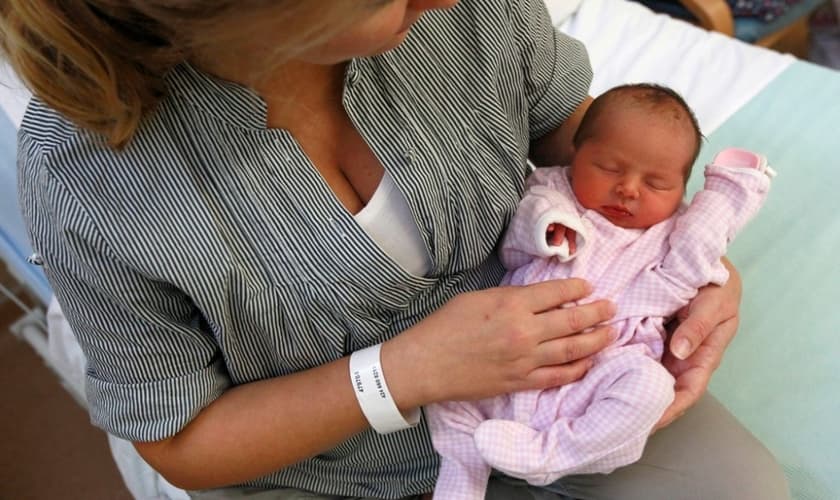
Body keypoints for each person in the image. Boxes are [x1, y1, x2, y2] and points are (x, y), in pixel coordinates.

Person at [1, 0, 789, 498]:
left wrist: (692, 257)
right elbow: (179, 439)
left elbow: (577, 131)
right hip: (328, 472)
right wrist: (405, 373)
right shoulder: (88, 180)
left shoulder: (467, 12)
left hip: (559, 389)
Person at [426, 83, 775, 500]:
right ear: (576, 153)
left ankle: (554, 453)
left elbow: (697, 253)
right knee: (447, 398)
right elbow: (519, 235)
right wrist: (549, 229)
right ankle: (463, 475)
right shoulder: (555, 191)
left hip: (604, 366)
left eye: (657, 183)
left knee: (651, 387)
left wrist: (726, 194)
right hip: (511, 347)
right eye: (609, 167)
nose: (628, 188)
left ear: (682, 191)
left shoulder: (671, 233)